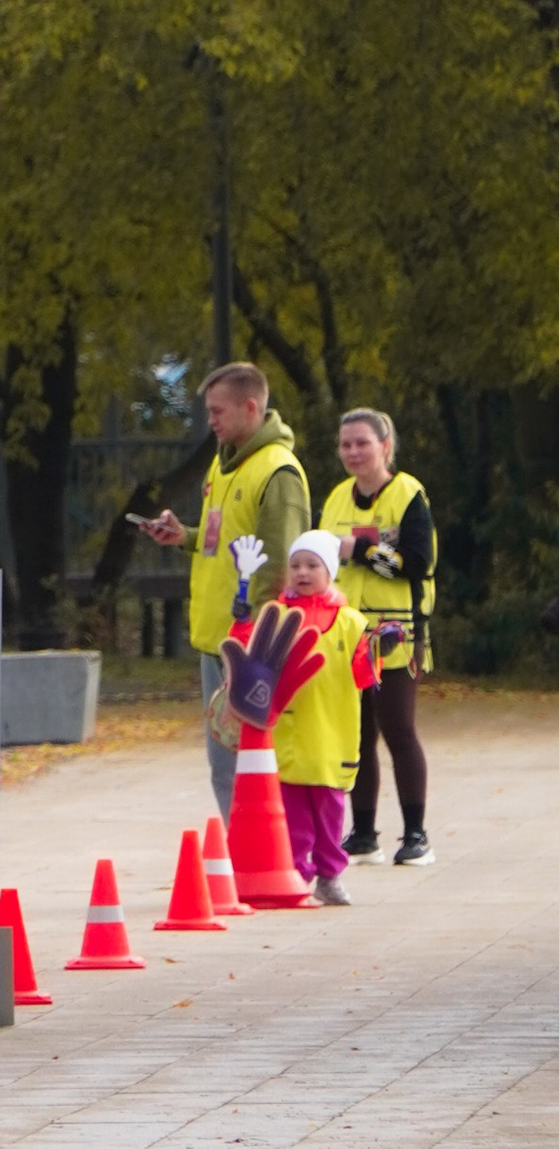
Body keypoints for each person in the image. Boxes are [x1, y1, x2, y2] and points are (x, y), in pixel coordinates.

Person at [134, 362, 309, 823]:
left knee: (245, 765)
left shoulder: (278, 472)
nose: (209, 420)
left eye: (218, 411)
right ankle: (244, 860)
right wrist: (185, 536)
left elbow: (280, 566)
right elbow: (223, 538)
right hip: (216, 636)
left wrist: (259, 649)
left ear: (251, 407)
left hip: (248, 645)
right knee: (224, 766)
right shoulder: (226, 460)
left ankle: (258, 861)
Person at [321, 408, 435, 866]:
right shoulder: (334, 500)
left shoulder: (409, 495)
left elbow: (416, 563)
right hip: (346, 636)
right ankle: (363, 832)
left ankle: (416, 835)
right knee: (356, 735)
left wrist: (363, 551)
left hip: (397, 636)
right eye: (346, 444)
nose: (352, 452)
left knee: (398, 731)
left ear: (385, 446)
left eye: (362, 443)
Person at [240, 528, 376, 907]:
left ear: (329, 571)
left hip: (332, 733)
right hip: (288, 733)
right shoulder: (278, 615)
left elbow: (365, 677)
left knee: (330, 809)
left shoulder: (351, 622)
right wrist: (240, 611)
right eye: (295, 565)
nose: (302, 572)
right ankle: (298, 874)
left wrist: (378, 650)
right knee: (293, 810)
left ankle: (330, 874)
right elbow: (250, 651)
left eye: (312, 565)